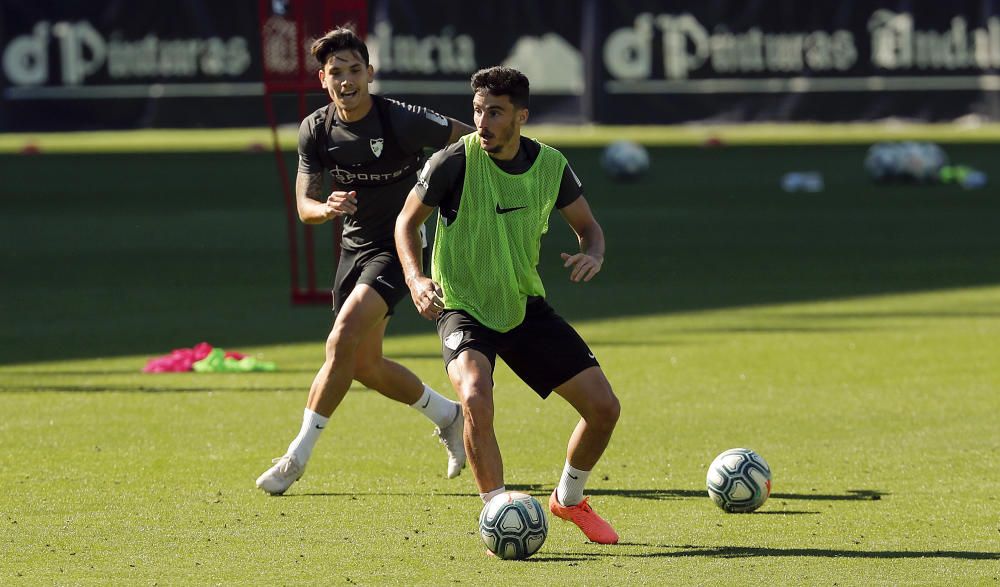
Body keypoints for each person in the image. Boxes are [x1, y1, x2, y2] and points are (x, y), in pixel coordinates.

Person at [394, 66, 621, 544]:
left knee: (604, 409)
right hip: (461, 306)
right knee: (475, 395)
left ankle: (569, 499)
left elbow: (589, 228)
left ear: (521, 116)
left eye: (494, 112)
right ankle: (496, 510)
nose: (482, 121)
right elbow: (405, 224)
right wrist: (416, 279)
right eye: (477, 110)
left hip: (522, 305)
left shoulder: (551, 166)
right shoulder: (452, 162)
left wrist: (592, 254)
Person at [256, 25, 475, 495]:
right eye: (336, 71)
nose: (346, 79)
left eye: (355, 69)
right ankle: (449, 415)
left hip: (400, 246)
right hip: (353, 249)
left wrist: (448, 199)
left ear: (370, 74)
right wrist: (327, 208)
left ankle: (296, 457)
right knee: (364, 365)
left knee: (342, 336)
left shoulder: (402, 120)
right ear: (323, 80)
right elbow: (304, 207)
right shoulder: (315, 130)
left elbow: (470, 144)